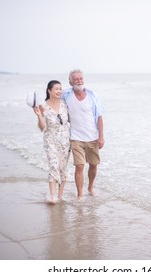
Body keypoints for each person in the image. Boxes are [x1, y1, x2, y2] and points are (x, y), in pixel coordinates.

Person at [62, 69, 104, 199]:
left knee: (93, 165)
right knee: (79, 166)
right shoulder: (66, 95)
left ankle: (90, 187)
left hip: (92, 137)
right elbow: (53, 101)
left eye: (81, 78)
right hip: (76, 138)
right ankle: (80, 195)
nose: (79, 81)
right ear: (70, 82)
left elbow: (99, 117)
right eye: (76, 79)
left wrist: (101, 137)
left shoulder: (93, 96)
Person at [33, 80, 70, 204]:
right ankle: (52, 195)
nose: (59, 91)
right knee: (54, 166)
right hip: (50, 140)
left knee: (63, 168)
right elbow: (42, 127)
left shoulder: (65, 104)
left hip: (65, 140)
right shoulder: (43, 106)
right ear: (49, 90)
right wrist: (39, 115)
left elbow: (72, 120)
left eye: (60, 88)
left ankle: (60, 195)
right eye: (56, 89)